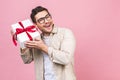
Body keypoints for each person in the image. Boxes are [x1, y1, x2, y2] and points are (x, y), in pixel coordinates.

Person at [12, 6, 76, 80]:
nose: (46, 21)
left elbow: (66, 58)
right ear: (35, 25)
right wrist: (22, 40)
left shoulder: (65, 33)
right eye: (41, 20)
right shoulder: (36, 39)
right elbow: (27, 60)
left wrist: (43, 47)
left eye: (47, 17)